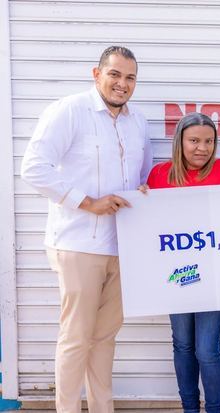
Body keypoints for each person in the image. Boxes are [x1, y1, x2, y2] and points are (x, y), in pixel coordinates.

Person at [20, 46, 152, 412]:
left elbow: (144, 176)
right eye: (115, 75)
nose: (122, 84)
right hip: (78, 243)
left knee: (105, 338)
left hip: (123, 245)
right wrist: (87, 201)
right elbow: (33, 168)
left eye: (129, 78)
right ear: (96, 74)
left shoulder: (137, 122)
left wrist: (143, 191)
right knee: (76, 338)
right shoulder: (69, 111)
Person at [146, 112, 220, 413]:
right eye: (194, 141)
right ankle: (190, 408)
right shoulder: (160, 175)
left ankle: (215, 409)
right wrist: (139, 201)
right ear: (180, 142)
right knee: (183, 345)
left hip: (215, 274)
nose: (202, 148)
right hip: (175, 275)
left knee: (207, 349)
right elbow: (148, 224)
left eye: (208, 141)